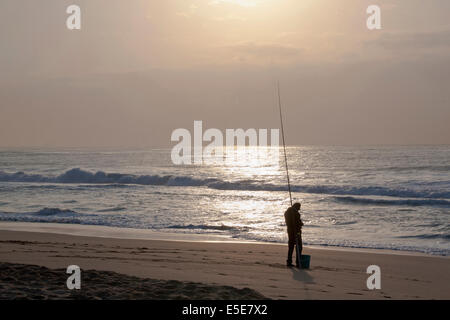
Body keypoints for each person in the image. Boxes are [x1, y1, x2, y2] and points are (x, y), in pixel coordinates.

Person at [284, 202, 303, 267]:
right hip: (296, 232)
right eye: (299, 208)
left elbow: (289, 222)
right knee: (299, 247)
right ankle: (298, 262)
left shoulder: (287, 212)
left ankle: (289, 262)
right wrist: (300, 224)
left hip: (290, 232)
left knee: (291, 247)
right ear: (296, 207)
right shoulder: (295, 213)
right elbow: (296, 223)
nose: (299, 209)